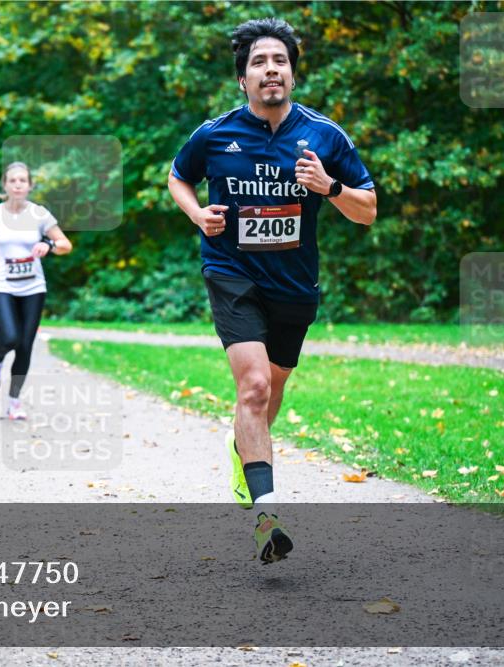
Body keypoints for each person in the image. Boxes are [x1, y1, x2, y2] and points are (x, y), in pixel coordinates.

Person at [167, 17, 377, 563]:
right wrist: (197, 215)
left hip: (294, 285)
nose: (270, 70)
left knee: (272, 388)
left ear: (292, 72)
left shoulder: (324, 136)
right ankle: (267, 516)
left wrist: (328, 187)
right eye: (259, 63)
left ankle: (245, 449)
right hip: (232, 274)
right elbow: (177, 176)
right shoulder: (214, 133)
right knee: (254, 386)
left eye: (279, 61)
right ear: (243, 79)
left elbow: (368, 211)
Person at [0, 162, 72, 420]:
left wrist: (49, 245)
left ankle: (14, 402)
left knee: (25, 346)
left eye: (22, 181)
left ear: (30, 185)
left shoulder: (39, 214)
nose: (17, 185)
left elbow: (65, 244)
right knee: (10, 337)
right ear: (5, 184)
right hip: (2, 284)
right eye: (12, 180)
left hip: (33, 287)